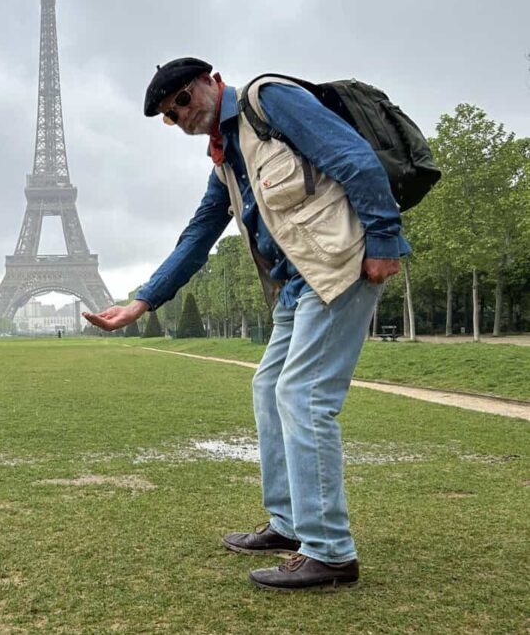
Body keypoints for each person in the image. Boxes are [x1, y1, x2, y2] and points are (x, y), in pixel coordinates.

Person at [83, 57, 409, 592]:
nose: (181, 117)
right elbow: (198, 235)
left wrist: (383, 237)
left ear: (212, 82)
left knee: (303, 395)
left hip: (335, 265)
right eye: (170, 116)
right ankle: (289, 524)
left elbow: (352, 157)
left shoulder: (268, 100)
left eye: (182, 101)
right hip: (295, 285)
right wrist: (142, 302)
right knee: (269, 390)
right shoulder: (225, 162)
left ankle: (329, 550)